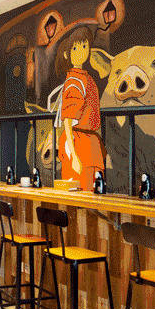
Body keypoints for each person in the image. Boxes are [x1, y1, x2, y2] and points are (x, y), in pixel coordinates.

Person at [54, 27, 106, 190]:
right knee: (82, 191)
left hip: (88, 142)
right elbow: (68, 120)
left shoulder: (84, 78)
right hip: (78, 143)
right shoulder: (75, 82)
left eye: (84, 46)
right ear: (67, 54)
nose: (81, 51)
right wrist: (75, 156)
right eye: (75, 48)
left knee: (92, 189)